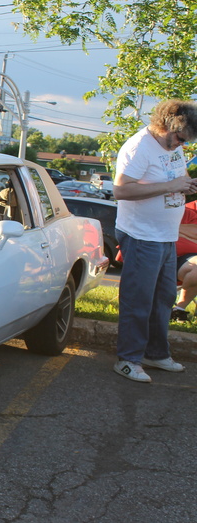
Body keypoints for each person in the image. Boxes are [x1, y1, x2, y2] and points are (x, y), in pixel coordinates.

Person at [112, 99, 197, 383]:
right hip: (141, 236)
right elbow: (122, 190)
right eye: (178, 138)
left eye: (184, 142)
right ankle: (128, 359)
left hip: (165, 236)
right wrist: (173, 186)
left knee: (163, 299)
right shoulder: (139, 147)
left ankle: (156, 354)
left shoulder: (173, 146)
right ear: (166, 124)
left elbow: (178, 176)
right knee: (139, 300)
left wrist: (187, 183)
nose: (178, 145)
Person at [172, 200, 197, 321]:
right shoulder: (184, 210)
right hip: (170, 256)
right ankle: (178, 310)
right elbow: (166, 227)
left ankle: (179, 310)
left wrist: (181, 231)